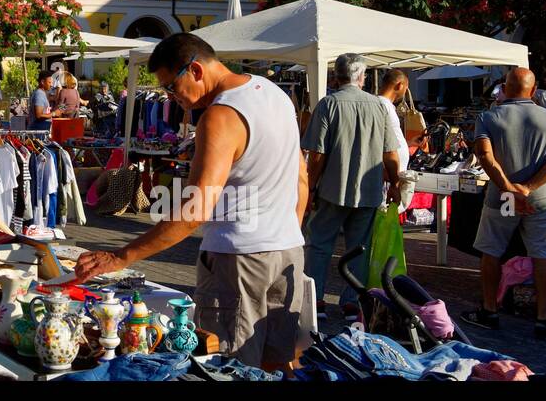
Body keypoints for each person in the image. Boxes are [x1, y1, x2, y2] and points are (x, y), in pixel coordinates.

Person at [74, 34, 307, 370]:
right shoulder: (275, 95)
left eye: (171, 87)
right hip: (287, 252)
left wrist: (122, 256)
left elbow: (195, 210)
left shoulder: (220, 116)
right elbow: (301, 175)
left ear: (195, 69)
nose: (172, 98)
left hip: (238, 259)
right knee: (279, 365)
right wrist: (286, 231)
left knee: (231, 367)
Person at [460, 68, 546, 340]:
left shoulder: (489, 117)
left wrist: (509, 188)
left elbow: (485, 157)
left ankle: (489, 310)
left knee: (492, 251)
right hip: (541, 197)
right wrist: (527, 188)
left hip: (501, 196)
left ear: (505, 87)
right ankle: (543, 319)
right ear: (533, 88)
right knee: (542, 254)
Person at [302, 54, 403, 316]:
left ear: (336, 76)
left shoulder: (328, 105)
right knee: (359, 248)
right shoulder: (378, 107)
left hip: (332, 189)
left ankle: (316, 300)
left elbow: (317, 155)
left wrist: (309, 187)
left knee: (319, 245)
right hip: (368, 190)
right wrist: (394, 184)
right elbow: (390, 154)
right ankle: (351, 301)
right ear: (361, 77)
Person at [375, 68, 413, 173]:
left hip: (392, 172)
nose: (405, 92)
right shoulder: (382, 105)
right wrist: (393, 180)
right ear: (400, 85)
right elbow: (381, 142)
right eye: (406, 88)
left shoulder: (386, 105)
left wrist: (410, 143)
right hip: (389, 174)